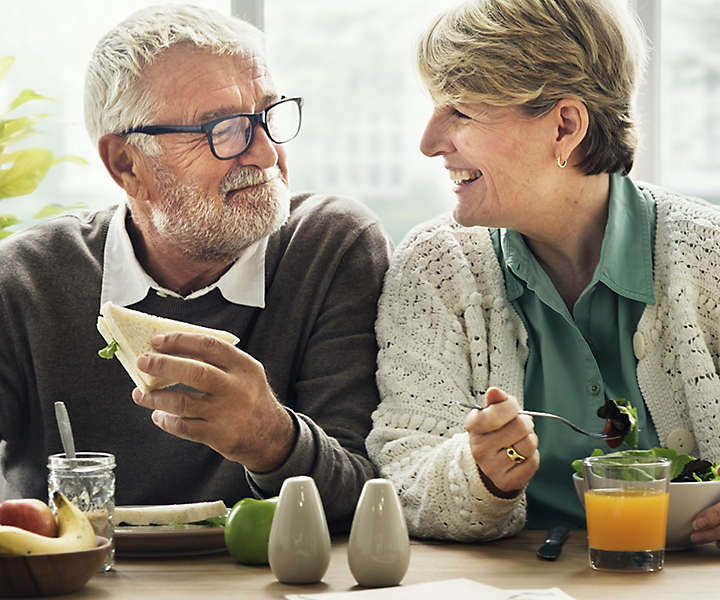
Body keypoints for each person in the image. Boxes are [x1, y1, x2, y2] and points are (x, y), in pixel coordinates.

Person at [0, 4, 391, 531]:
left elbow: (371, 502)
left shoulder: (330, 247)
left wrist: (271, 438)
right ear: (127, 164)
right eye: (222, 129)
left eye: (269, 116)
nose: (265, 152)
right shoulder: (27, 279)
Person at [366, 0, 720, 544]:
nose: (429, 142)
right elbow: (403, 469)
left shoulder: (708, 255)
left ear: (565, 125)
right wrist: (480, 475)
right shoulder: (438, 266)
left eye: (459, 111)